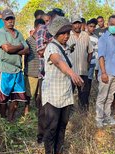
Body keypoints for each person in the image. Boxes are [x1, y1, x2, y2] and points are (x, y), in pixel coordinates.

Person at [41, 16, 84, 154]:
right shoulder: (52, 48)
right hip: (53, 94)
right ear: (55, 34)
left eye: (68, 33)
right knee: (51, 127)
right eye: (63, 33)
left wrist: (72, 76)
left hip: (65, 93)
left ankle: (59, 153)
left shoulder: (66, 47)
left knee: (62, 124)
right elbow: (58, 61)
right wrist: (72, 74)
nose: (66, 36)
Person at [36, 8, 65, 144]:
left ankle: (55, 138)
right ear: (52, 18)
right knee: (45, 110)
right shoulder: (43, 29)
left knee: (59, 110)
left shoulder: (63, 34)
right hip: (46, 75)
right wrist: (54, 44)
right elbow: (41, 51)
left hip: (61, 76)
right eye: (58, 20)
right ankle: (42, 137)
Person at [0, 9, 30, 121]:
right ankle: (3, 118)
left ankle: (10, 119)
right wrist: (19, 46)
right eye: (7, 19)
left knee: (17, 96)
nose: (10, 21)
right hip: (5, 69)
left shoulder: (19, 33)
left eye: (12, 18)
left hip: (17, 69)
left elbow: (27, 50)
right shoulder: (1, 32)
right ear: (3, 20)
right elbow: (7, 48)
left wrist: (13, 48)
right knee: (3, 97)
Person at [95, 15, 115, 128]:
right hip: (106, 73)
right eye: (112, 24)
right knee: (102, 97)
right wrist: (103, 72)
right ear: (108, 24)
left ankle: (107, 117)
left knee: (110, 97)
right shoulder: (104, 38)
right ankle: (99, 119)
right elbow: (101, 56)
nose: (114, 26)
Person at [68, 16, 93, 111]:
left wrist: (88, 63)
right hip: (71, 72)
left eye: (79, 23)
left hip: (83, 71)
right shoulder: (68, 35)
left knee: (84, 95)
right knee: (68, 94)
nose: (77, 25)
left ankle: (83, 115)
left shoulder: (85, 35)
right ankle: (68, 115)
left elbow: (90, 51)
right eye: (75, 23)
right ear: (71, 24)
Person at [25, 18, 45, 112]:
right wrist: (26, 69)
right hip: (31, 71)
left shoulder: (44, 40)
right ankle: (26, 109)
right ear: (35, 27)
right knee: (29, 93)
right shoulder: (29, 40)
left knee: (39, 94)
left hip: (41, 71)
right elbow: (26, 56)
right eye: (40, 27)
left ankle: (38, 110)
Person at [86, 18, 99, 82]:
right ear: (87, 26)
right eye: (91, 26)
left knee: (89, 79)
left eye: (94, 27)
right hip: (82, 62)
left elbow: (96, 52)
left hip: (91, 62)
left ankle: (87, 92)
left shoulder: (96, 38)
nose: (92, 28)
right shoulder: (82, 35)